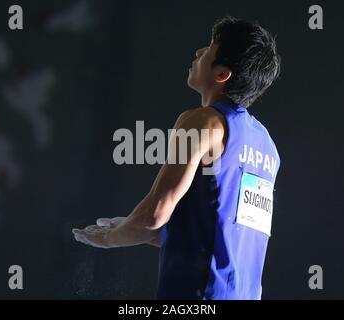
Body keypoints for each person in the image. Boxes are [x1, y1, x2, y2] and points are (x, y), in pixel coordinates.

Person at [72, 16, 281, 300]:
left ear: (222, 74)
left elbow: (154, 214)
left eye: (208, 48)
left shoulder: (202, 122)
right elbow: (218, 237)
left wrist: (108, 239)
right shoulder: (267, 147)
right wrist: (130, 226)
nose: (198, 53)